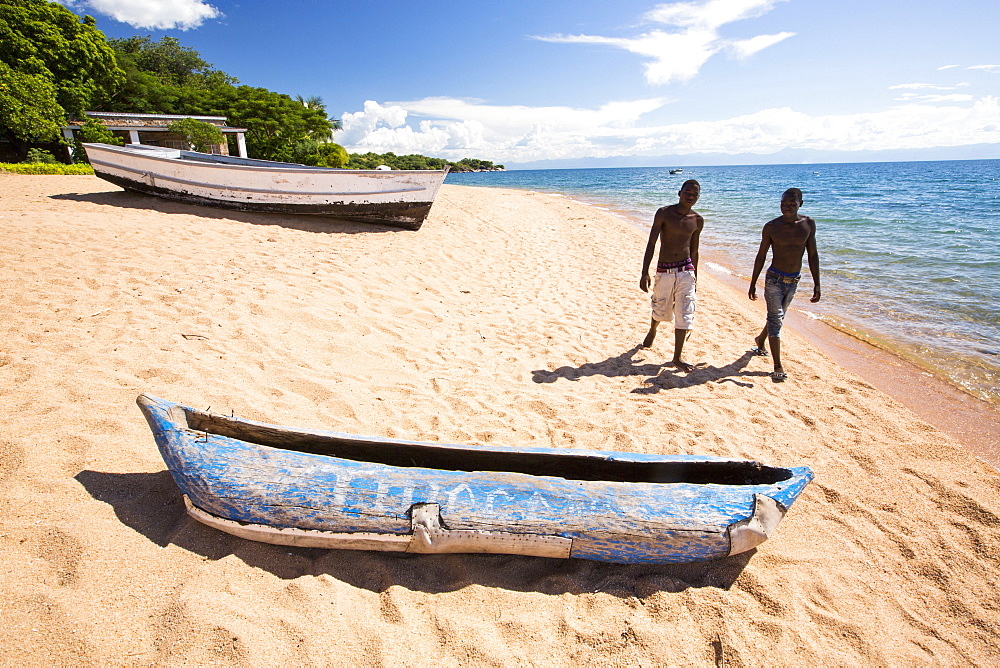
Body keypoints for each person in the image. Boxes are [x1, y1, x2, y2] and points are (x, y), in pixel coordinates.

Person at [748, 187, 821, 381]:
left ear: (800, 204)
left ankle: (761, 339)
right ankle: (777, 365)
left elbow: (812, 255)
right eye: (783, 204)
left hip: (794, 280)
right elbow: (761, 256)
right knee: (775, 319)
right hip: (774, 279)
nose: (787, 207)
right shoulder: (771, 227)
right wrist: (753, 282)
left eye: (792, 204)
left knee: (777, 318)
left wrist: (817, 284)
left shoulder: (808, 224)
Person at [639, 179, 704, 372]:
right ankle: (653, 328)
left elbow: (694, 250)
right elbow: (651, 243)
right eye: (687, 193)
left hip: (686, 270)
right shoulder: (664, 213)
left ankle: (677, 357)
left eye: (694, 195)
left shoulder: (697, 220)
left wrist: (695, 277)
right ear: (679, 193)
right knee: (660, 307)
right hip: (664, 270)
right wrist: (644, 272)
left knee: (685, 312)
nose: (690, 197)